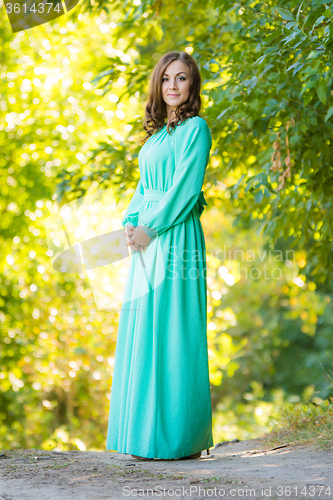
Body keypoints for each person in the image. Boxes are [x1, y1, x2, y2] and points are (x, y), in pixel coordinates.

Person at [106, 51, 214, 460]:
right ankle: (141, 435)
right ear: (158, 84)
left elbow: (185, 189)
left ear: (191, 85)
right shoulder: (155, 137)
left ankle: (178, 438)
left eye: (181, 78)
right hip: (146, 239)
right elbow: (143, 187)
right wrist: (131, 224)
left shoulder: (196, 130)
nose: (172, 85)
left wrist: (152, 227)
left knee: (174, 329)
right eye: (166, 78)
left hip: (174, 235)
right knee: (144, 328)